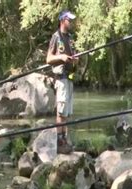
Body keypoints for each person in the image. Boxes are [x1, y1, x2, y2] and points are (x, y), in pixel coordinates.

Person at [46, 10, 78, 154]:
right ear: (62, 20)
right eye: (69, 20)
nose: (71, 22)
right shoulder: (56, 37)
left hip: (70, 78)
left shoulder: (70, 38)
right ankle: (59, 141)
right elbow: (48, 59)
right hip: (61, 78)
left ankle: (65, 139)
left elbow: (74, 55)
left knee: (67, 112)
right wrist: (62, 57)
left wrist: (76, 59)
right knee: (61, 112)